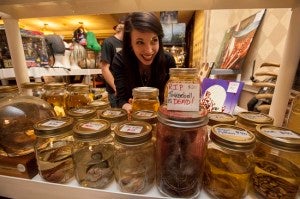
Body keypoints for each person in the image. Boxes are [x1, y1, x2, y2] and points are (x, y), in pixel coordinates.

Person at [110, 12, 176, 113]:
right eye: (140, 42)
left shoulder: (168, 60)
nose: (149, 50)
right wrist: (127, 106)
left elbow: (172, 98)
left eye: (154, 40)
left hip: (160, 117)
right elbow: (121, 99)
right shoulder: (120, 60)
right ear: (130, 43)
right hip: (134, 118)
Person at [100, 19, 125, 107]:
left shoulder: (128, 43)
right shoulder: (109, 42)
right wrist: (116, 87)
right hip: (115, 91)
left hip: (127, 89)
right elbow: (105, 68)